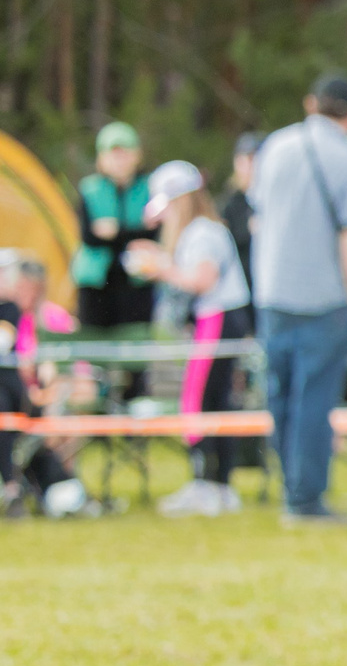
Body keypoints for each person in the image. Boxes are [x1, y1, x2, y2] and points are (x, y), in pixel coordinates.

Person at [248, 72, 347, 526]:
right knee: (314, 399)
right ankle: (305, 497)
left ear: (311, 104)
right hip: (324, 298)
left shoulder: (275, 148)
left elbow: (258, 215)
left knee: (280, 396)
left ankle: (288, 485)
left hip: (272, 292)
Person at [124, 161, 253, 515]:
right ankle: (215, 484)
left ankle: (208, 485)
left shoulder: (203, 233)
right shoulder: (201, 231)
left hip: (217, 318)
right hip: (215, 319)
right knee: (214, 400)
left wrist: (159, 269)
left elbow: (202, 281)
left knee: (200, 400)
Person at [73, 122, 156, 404]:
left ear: (137, 155)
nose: (119, 161)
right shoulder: (91, 188)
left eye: (125, 153)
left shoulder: (148, 187)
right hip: (97, 282)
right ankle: (98, 409)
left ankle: (133, 406)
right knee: (95, 349)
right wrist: (130, 232)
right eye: (113, 154)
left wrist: (115, 231)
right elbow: (89, 236)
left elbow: (151, 234)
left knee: (136, 350)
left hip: (136, 281)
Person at [0, 251, 77, 516]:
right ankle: (20, 487)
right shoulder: (12, 314)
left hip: (39, 397)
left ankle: (17, 486)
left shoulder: (47, 316)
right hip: (20, 399)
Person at [221, 132, 261, 298]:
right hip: (243, 288)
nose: (251, 167)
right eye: (247, 160)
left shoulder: (272, 200)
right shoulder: (229, 203)